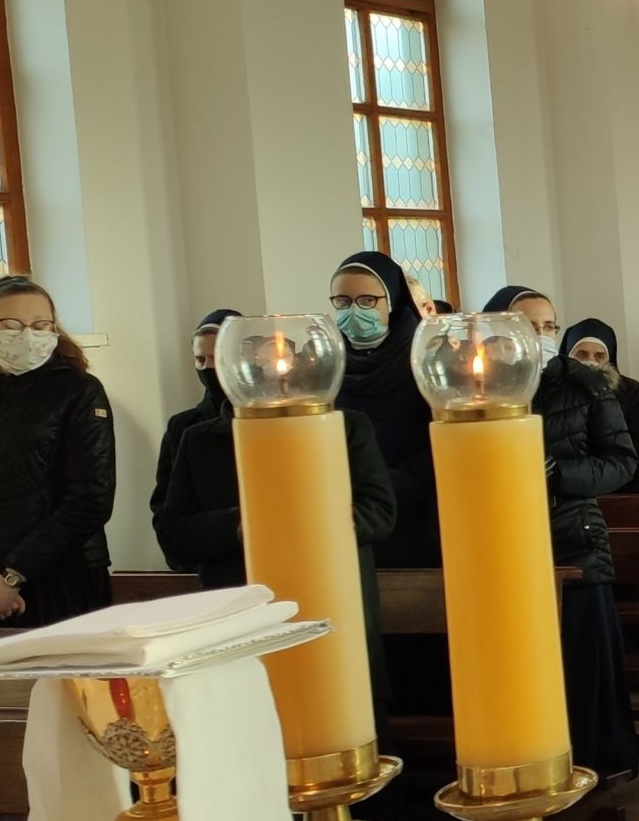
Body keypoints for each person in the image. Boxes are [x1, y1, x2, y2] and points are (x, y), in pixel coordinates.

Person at [155, 321, 399, 720]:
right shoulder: (200, 440)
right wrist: (243, 524)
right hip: (241, 622)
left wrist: (309, 519)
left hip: (333, 616)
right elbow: (174, 537)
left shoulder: (347, 428)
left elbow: (380, 513)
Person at [489, 286, 639, 781]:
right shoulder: (479, 384)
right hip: (501, 545)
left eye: (548, 326)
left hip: (574, 541)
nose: (540, 335)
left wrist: (559, 474)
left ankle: (591, 764)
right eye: (527, 326)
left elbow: (621, 462)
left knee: (580, 664)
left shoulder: (585, 385)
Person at [0, 278, 116, 628]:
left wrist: (12, 578)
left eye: (40, 325)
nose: (27, 335)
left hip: (62, 581)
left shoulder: (78, 391)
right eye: (12, 324)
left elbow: (90, 498)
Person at [331, 251, 440, 567]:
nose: (354, 310)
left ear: (391, 301)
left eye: (367, 300)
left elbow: (440, 443)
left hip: (416, 515)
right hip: (348, 516)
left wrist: (381, 485)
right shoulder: (327, 366)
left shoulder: (426, 360)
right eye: (342, 301)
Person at [150, 309, 241, 518]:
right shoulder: (182, 426)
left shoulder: (267, 419)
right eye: (200, 359)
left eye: (216, 358)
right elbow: (166, 512)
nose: (208, 366)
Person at [562, 319, 639, 488]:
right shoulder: (553, 390)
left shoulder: (631, 390)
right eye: (582, 354)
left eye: (599, 356)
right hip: (566, 486)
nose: (591, 361)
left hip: (621, 486)